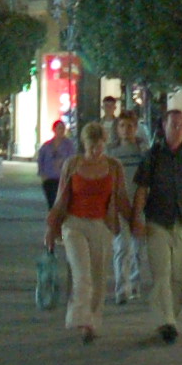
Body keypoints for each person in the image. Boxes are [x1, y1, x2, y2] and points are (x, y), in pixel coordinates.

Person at [46, 120, 133, 342]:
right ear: (84, 144)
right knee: (81, 273)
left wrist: (134, 221)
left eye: (100, 146)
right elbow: (61, 198)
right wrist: (51, 228)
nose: (96, 151)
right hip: (73, 224)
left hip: (101, 225)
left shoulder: (113, 167)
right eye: (92, 146)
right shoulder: (73, 164)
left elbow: (121, 197)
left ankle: (92, 322)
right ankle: (80, 318)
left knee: (98, 276)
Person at [132, 106, 182, 344]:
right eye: (174, 124)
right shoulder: (153, 155)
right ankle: (165, 321)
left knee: (179, 274)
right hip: (158, 219)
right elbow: (142, 189)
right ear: (164, 126)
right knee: (161, 272)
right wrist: (137, 217)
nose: (178, 129)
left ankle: (171, 315)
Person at [109, 110, 148, 304]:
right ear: (117, 129)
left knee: (138, 248)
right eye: (122, 126)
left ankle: (134, 284)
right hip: (119, 204)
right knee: (122, 246)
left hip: (140, 204)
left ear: (136, 128)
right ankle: (121, 289)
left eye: (130, 126)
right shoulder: (112, 153)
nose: (126, 130)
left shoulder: (142, 151)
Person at [35, 117, 76, 211]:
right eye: (59, 128)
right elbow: (40, 160)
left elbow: (72, 159)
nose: (61, 130)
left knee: (61, 203)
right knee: (51, 203)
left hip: (63, 178)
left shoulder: (68, 145)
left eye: (63, 128)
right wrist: (42, 174)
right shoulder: (47, 145)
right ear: (54, 130)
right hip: (49, 178)